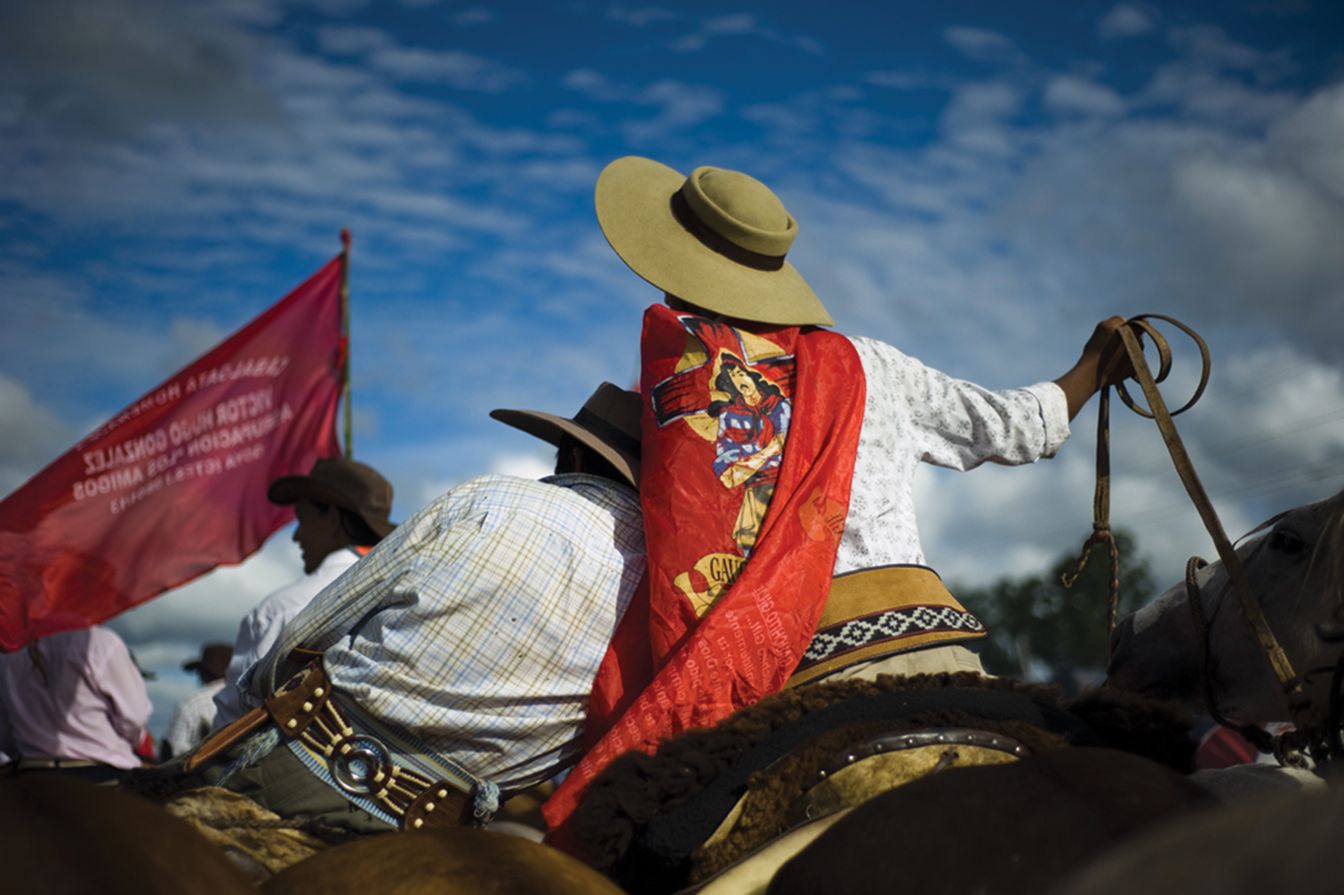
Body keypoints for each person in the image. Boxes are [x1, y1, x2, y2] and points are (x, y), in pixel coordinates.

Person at [542, 156, 1136, 838]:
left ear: (673, 275)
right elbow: (1018, 427)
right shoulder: (872, 364)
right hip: (943, 649)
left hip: (799, 677)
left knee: (624, 845)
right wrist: (1095, 364)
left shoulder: (674, 398)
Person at [175, 383, 644, 837]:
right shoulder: (656, 587)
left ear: (575, 455)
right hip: (440, 828)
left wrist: (265, 698)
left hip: (306, 764)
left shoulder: (492, 499)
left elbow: (309, 631)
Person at [212, 456, 395, 726]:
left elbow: (232, 724)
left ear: (332, 519)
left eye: (302, 519)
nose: (297, 536)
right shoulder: (403, 596)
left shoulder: (281, 611)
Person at [0, 626, 152, 784]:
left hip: (30, 772)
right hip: (102, 768)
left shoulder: (8, 655)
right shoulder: (101, 642)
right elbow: (135, 718)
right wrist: (132, 739)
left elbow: (5, 736)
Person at [160, 642, 232, 761]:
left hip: (202, 775)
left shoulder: (191, 703)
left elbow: (173, 751)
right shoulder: (247, 698)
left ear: (203, 673)